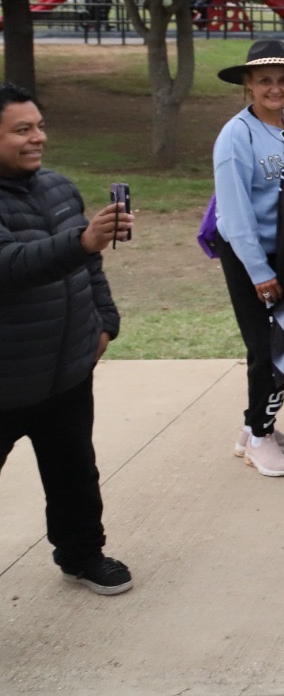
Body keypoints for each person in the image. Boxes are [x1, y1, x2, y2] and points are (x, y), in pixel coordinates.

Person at [0, 83, 134, 595]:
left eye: (39, 126)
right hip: (6, 379)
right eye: (22, 130)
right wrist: (81, 241)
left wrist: (104, 321)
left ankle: (82, 554)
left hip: (66, 373)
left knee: (75, 472)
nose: (39, 138)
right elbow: (10, 265)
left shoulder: (57, 186)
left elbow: (89, 264)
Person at [211, 39, 284, 477]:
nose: (275, 88)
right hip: (250, 255)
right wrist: (258, 272)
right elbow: (234, 214)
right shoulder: (236, 135)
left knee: (283, 340)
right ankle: (259, 438)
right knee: (264, 347)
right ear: (248, 86)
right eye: (264, 81)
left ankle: (258, 426)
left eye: (282, 80)